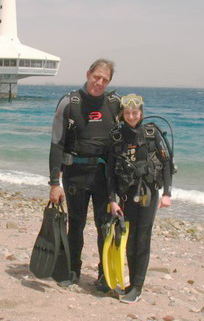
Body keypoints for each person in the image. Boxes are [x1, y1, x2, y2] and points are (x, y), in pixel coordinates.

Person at [48, 58, 120, 288]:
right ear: (88, 73)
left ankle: (104, 275)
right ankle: (72, 270)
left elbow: (128, 139)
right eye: (96, 77)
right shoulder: (69, 102)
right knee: (76, 225)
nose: (99, 83)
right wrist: (54, 182)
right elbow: (56, 143)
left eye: (105, 80)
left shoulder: (115, 103)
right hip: (75, 175)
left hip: (103, 177)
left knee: (104, 225)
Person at [107, 93, 174, 304]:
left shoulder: (152, 133)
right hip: (126, 195)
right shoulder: (116, 136)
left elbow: (167, 165)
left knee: (142, 238)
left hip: (147, 193)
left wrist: (167, 194)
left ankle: (138, 286)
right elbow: (109, 171)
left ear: (141, 113)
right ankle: (132, 283)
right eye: (127, 112)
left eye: (135, 112)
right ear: (122, 114)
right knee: (129, 239)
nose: (131, 116)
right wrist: (112, 199)